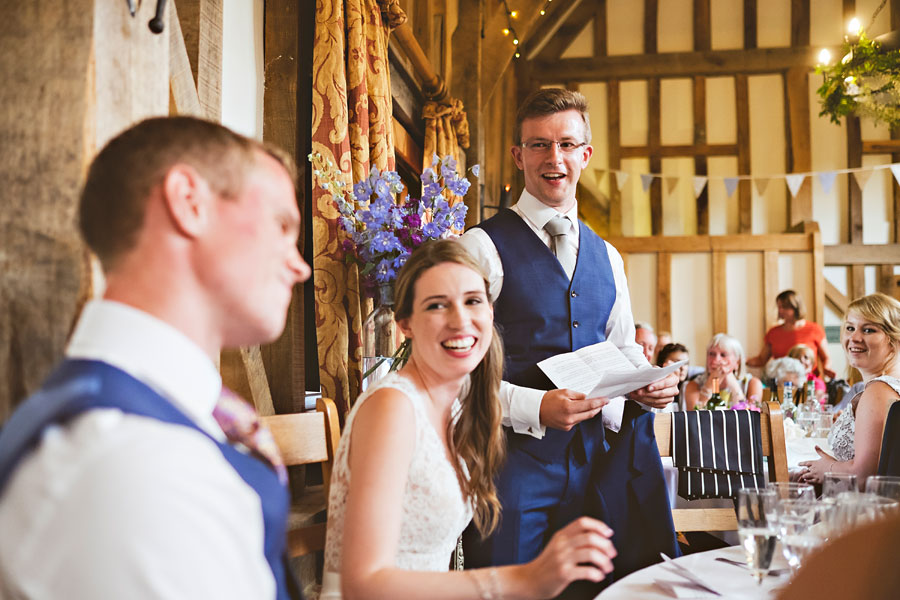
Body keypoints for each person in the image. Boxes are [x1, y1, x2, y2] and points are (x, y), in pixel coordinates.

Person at [0, 117, 311, 599]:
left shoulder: (152, 419)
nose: (301, 265)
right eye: (282, 225)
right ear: (189, 202)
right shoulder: (141, 467)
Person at [458, 88, 679, 594]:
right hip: (508, 471)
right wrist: (537, 408)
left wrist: (645, 384)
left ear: (586, 154)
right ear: (518, 156)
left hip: (597, 469)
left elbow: (624, 349)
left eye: (565, 144)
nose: (552, 159)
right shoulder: (479, 248)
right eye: (538, 145)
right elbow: (455, 375)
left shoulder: (609, 256)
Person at [320, 240, 617, 600]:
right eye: (437, 305)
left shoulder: (459, 406)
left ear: (491, 312)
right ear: (405, 324)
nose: (460, 320)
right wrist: (524, 580)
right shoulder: (392, 409)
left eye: (472, 301)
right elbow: (362, 584)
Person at [798, 293, 900, 489]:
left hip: (855, 513)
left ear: (895, 338)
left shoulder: (879, 391)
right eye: (850, 328)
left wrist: (827, 468)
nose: (854, 338)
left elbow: (863, 477)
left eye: (868, 330)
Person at [747, 290, 835, 378]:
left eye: (784, 307)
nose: (780, 310)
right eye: (779, 307)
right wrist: (741, 360)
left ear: (796, 307)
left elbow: (826, 358)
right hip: (783, 383)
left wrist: (826, 369)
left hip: (810, 384)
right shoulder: (773, 333)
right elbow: (761, 360)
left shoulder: (815, 329)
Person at [684, 333, 763, 411]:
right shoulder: (694, 385)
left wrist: (733, 384)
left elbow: (749, 418)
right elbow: (695, 418)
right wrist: (710, 383)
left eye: (723, 355)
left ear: (737, 362)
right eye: (711, 354)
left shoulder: (752, 383)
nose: (716, 360)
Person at [656, 342, 690, 411]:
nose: (683, 368)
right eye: (677, 362)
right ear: (663, 363)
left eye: (686, 363)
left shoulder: (688, 387)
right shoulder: (656, 389)